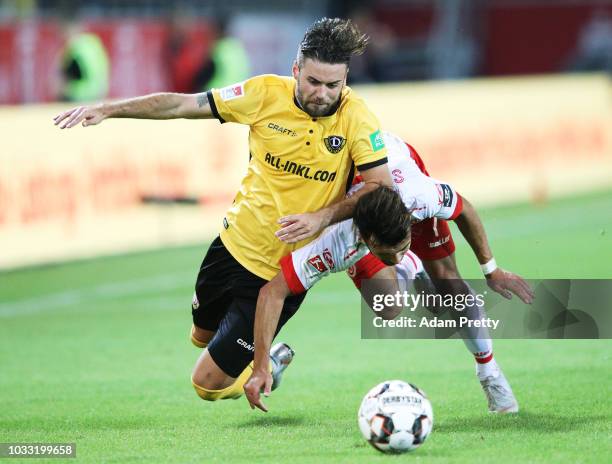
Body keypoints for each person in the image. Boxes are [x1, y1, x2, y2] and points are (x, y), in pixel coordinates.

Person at [53, 18, 393, 403]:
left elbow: (381, 186)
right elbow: (181, 104)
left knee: (206, 386)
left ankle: (269, 364)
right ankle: (252, 357)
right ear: (295, 69)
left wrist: (322, 217)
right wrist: (110, 109)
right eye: (313, 82)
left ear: (346, 78)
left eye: (333, 85)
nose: (322, 93)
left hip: (280, 272)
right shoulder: (263, 93)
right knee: (199, 336)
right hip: (231, 247)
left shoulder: (357, 118)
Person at [245, 132, 534, 413]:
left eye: (403, 248)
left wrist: (490, 270)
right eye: (389, 253)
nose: (395, 257)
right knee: (389, 308)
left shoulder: (423, 197)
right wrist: (260, 368)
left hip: (399, 166)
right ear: (367, 242)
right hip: (345, 189)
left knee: (450, 288)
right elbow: (272, 292)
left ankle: (490, 374)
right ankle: (411, 265)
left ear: (411, 224)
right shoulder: (337, 241)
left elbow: (464, 209)